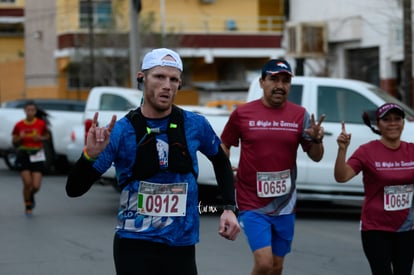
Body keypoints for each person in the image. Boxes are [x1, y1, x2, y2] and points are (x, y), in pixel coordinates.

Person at [65, 48, 240, 275]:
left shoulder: (195, 125)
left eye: (174, 79)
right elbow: (74, 189)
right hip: (134, 244)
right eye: (159, 76)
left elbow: (220, 161)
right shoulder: (120, 131)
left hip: (181, 245)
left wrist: (229, 208)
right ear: (142, 78)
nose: (167, 85)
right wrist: (90, 155)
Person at [221, 59, 325, 275]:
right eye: (274, 79)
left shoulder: (300, 115)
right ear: (261, 82)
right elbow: (225, 144)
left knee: (277, 267)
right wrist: (225, 170)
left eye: (285, 80)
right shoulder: (243, 114)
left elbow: (316, 157)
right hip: (251, 201)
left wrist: (316, 141)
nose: (280, 85)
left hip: (285, 203)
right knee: (264, 264)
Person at [334, 103, 414, 275]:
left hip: (406, 228)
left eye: (397, 119)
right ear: (378, 124)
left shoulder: (411, 150)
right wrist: (342, 150)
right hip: (376, 229)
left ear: (403, 123)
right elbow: (342, 177)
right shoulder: (367, 151)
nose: (392, 123)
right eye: (387, 120)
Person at [12, 100, 50, 216]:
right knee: (27, 183)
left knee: (36, 186)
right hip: (23, 154)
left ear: (35, 111)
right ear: (24, 111)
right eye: (28, 110)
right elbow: (14, 141)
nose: (30, 112)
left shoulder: (41, 124)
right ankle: (28, 205)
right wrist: (20, 138)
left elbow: (47, 136)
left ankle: (31, 195)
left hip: (37, 154)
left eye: (32, 110)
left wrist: (40, 138)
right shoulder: (19, 125)